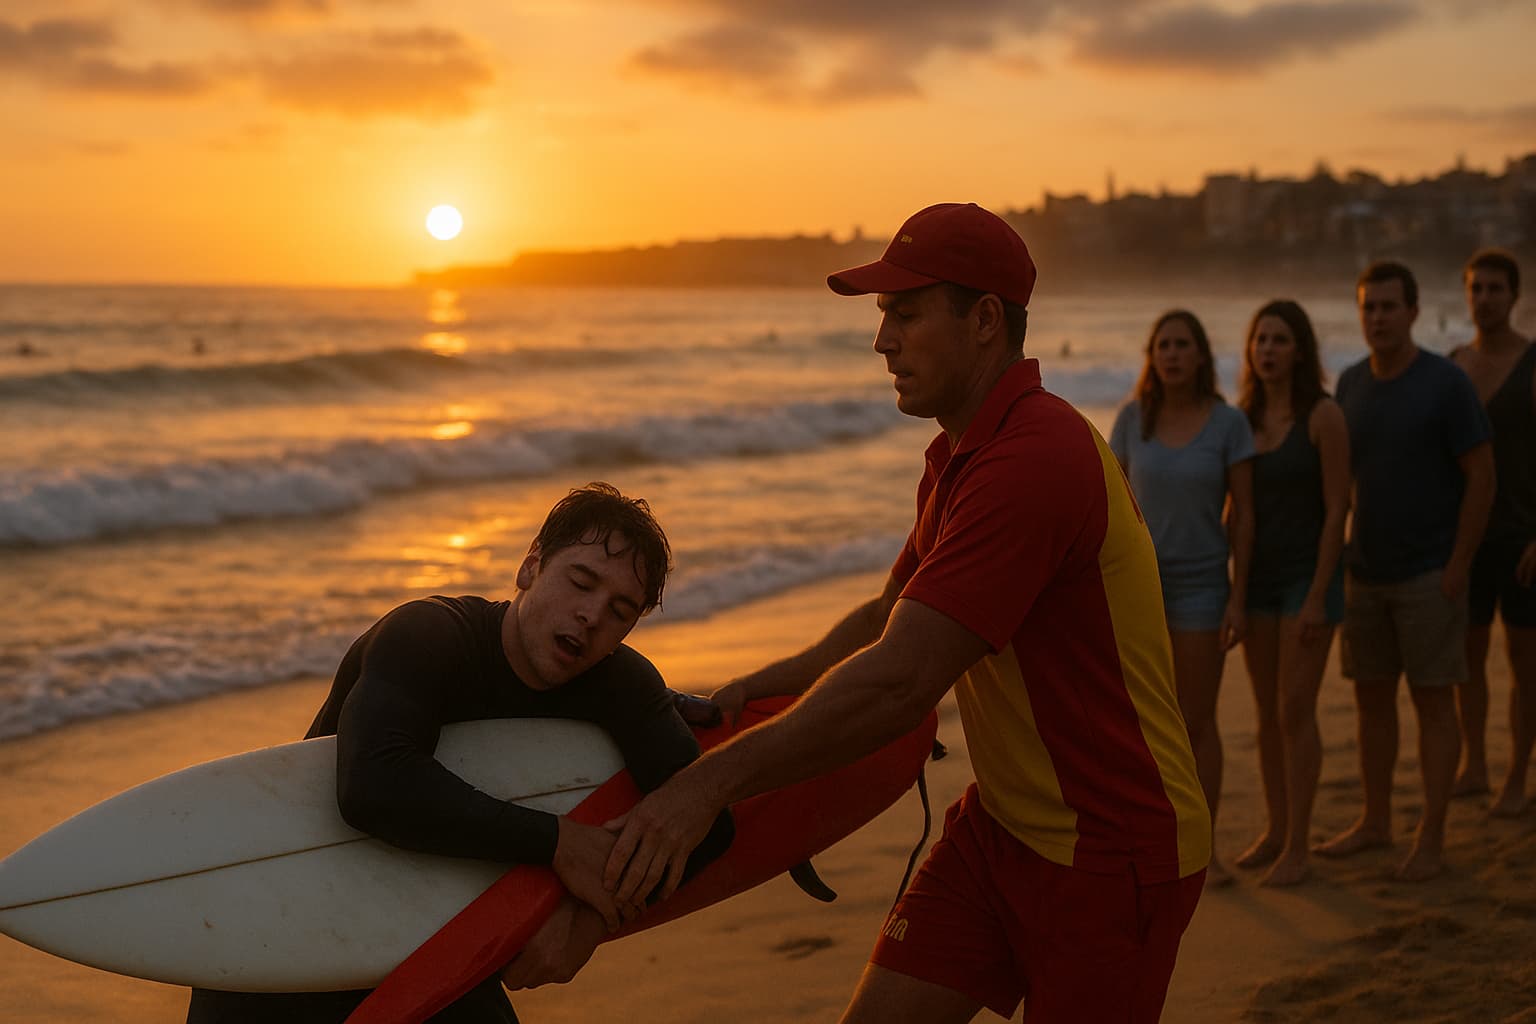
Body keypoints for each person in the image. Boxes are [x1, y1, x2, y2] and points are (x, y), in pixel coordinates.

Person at [603, 202, 1210, 1024]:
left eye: (905, 313)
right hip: (1001, 827)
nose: (882, 340)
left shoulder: (1034, 460)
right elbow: (890, 615)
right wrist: (753, 687)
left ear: (986, 320)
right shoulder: (961, 454)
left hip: (1112, 853)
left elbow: (902, 682)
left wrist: (709, 786)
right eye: (884, 315)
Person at [186, 482, 733, 1023]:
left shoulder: (624, 687)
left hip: (428, 937)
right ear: (530, 567)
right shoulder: (427, 635)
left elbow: (706, 826)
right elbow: (373, 786)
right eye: (581, 582)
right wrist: (557, 842)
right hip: (286, 926)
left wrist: (585, 919)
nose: (592, 616)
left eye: (620, 610)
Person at [1315, 261, 1495, 881]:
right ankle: (1375, 822)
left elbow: (1482, 476)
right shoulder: (1349, 384)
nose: (1378, 318)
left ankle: (1434, 837)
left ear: (1415, 312)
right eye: (1369, 307)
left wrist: (1459, 565)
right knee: (1371, 706)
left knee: (1432, 704)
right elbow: (1336, 486)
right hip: (1365, 572)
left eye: (1389, 307)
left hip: (1429, 573)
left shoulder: (1445, 384)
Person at [1109, 310, 1255, 885]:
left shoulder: (1227, 423)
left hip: (1202, 587)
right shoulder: (1130, 420)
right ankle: (1150, 843)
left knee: (1196, 721)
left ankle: (1205, 850)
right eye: (1163, 345)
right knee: (1143, 723)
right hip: (1139, 590)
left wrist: (1238, 596)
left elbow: (1242, 516)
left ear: (1200, 356)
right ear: (1153, 355)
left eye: (1183, 345)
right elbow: (1113, 508)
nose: (1172, 354)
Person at [1231, 300, 1350, 886]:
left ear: (1300, 349)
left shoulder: (1323, 415)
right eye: (1261, 340)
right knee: (1265, 717)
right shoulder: (1243, 419)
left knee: (1294, 709)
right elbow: (1235, 510)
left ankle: (1299, 846)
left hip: (1309, 579)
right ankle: (1276, 831)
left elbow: (1337, 511)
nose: (1269, 350)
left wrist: (1319, 595)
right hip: (1257, 581)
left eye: (1280, 340)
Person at [1448, 249, 1536, 814]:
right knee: (1466, 657)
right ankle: (1474, 763)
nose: (1484, 299)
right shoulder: (1454, 364)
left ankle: (1515, 777)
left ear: (1515, 296)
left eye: (1495, 289)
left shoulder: (1532, 365)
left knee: (1525, 664)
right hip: (1465, 538)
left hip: (1523, 538)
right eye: (1476, 289)